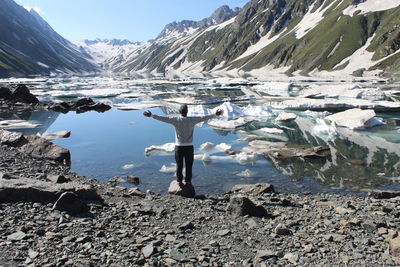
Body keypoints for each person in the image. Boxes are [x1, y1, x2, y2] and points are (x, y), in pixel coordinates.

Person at [144, 104, 223, 186]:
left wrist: (152, 115)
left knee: (179, 165)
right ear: (187, 112)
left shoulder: (175, 120)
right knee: (189, 165)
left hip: (179, 147)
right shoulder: (192, 120)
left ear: (179, 112)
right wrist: (215, 114)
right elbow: (203, 117)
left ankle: (179, 181)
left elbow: (163, 118)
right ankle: (188, 181)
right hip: (189, 147)